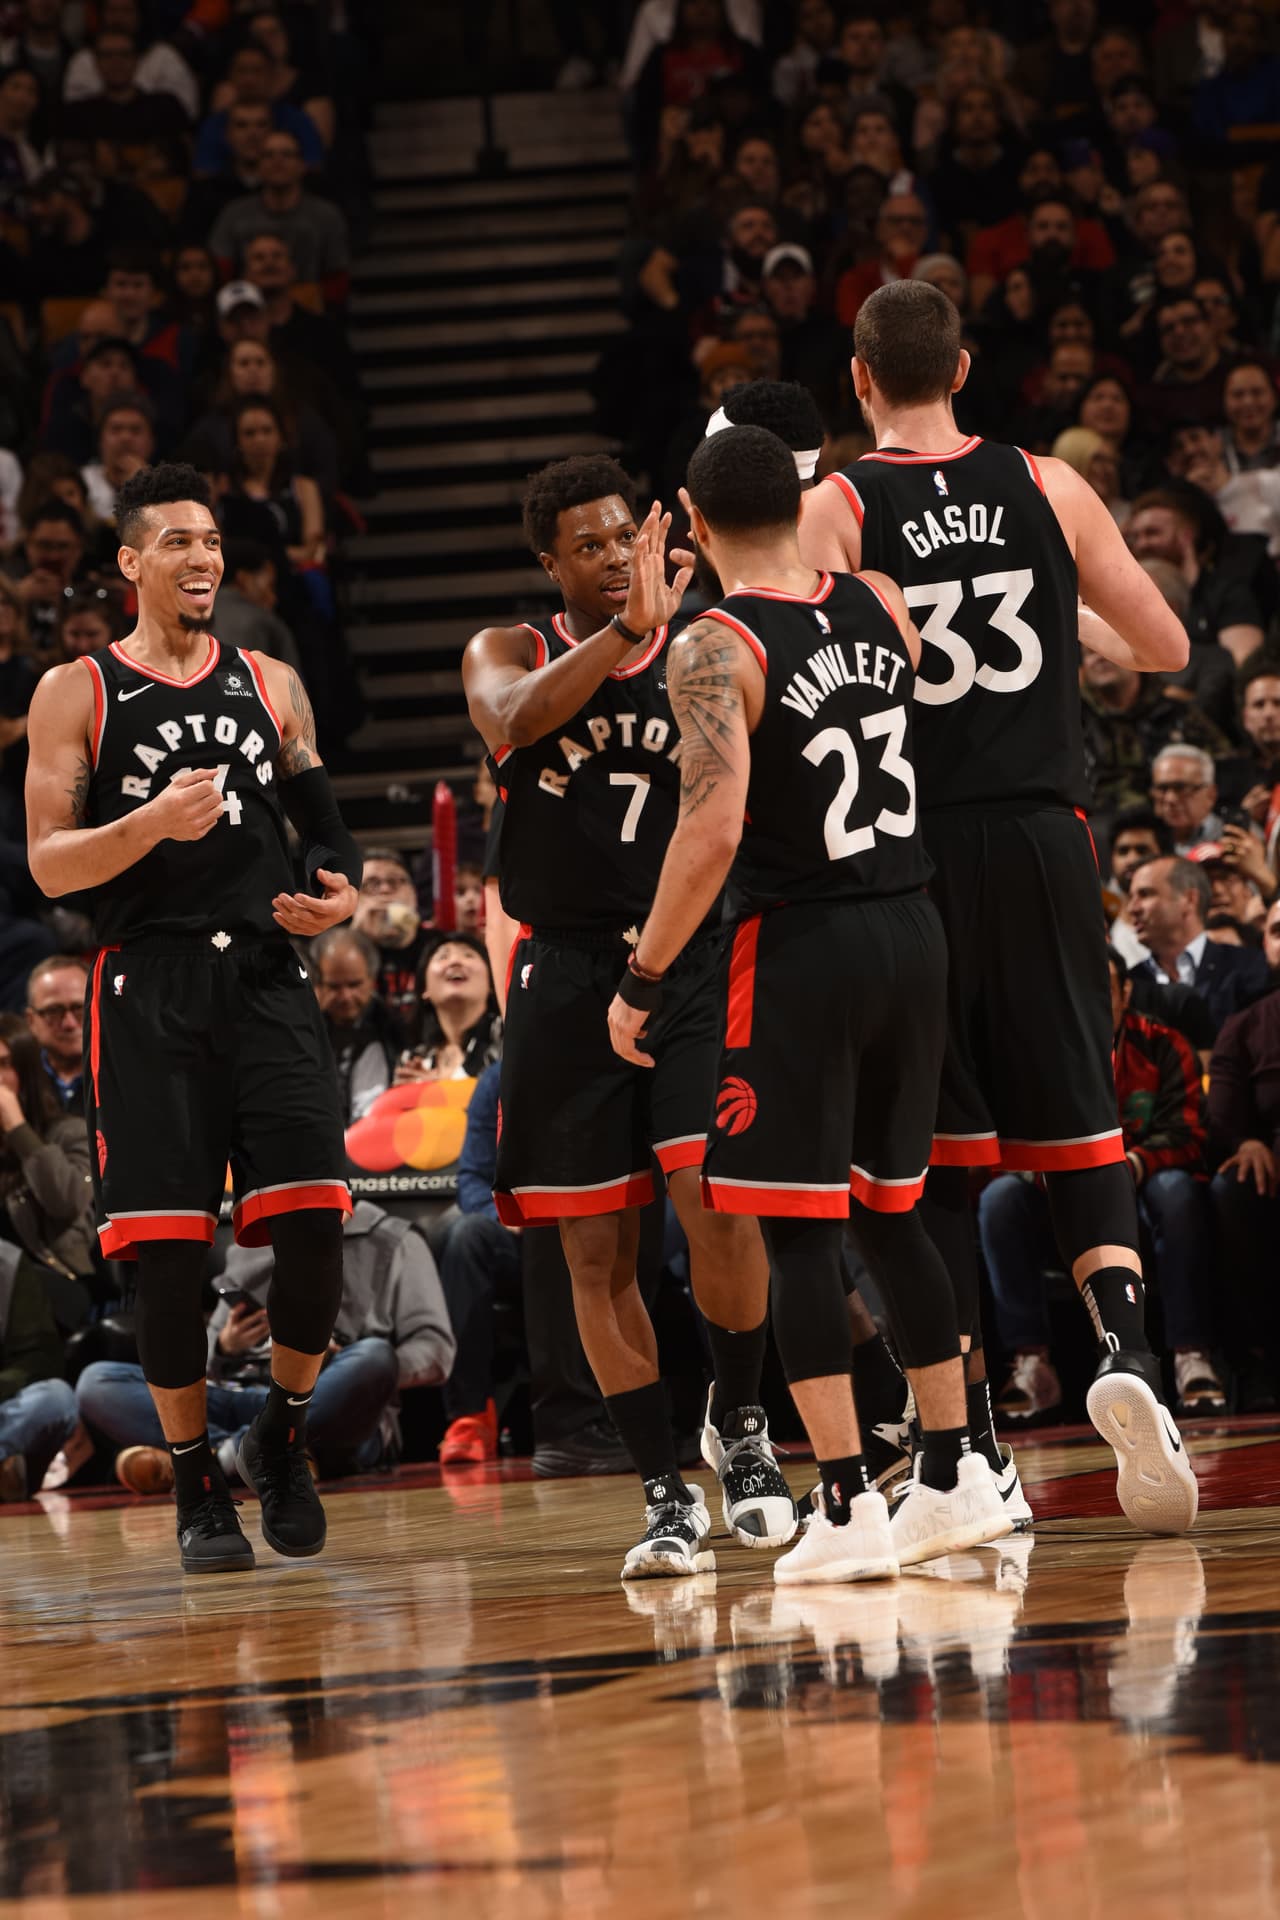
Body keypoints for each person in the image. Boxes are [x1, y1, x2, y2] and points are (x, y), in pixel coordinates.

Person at [799, 277, 1199, 1535]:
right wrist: (1045, 604)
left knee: (920, 1157)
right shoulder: (1048, 484)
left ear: (858, 381)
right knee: (1076, 1112)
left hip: (902, 850)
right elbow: (1164, 649)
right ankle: (1124, 1347)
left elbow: (803, 666)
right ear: (962, 367)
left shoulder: (841, 502)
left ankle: (962, 1435)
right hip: (1042, 833)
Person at [608, 424, 1014, 1584]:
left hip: (800, 942)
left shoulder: (712, 644)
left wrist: (642, 976)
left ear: (690, 520)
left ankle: (839, 1504)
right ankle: (952, 1471)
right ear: (802, 502)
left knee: (793, 1227)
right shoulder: (878, 601)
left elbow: (713, 825)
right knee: (894, 1210)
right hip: (910, 918)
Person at [23, 462, 364, 1576]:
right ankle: (191, 1483)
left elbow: (324, 823)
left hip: (267, 977)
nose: (202, 558)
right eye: (176, 542)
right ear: (129, 564)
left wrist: (342, 891)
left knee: (317, 1223)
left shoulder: (269, 680)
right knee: (166, 1259)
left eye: (211, 541)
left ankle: (278, 1433)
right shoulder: (77, 691)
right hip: (147, 986)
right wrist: (150, 827)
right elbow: (47, 865)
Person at [463, 454, 798, 1579]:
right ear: (549, 561)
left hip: (692, 961)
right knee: (594, 1247)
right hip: (562, 974)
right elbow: (508, 722)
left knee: (715, 1199)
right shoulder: (511, 649)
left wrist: (659, 629)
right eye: (590, 546)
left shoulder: (706, 647)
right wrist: (617, 639)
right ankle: (660, 1486)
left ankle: (743, 1431)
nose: (614, 560)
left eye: (627, 538)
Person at [982, 947, 1224, 1424]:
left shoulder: (1162, 1043)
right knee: (999, 1199)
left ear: (1125, 993)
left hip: (1145, 1175)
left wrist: (1132, 1163)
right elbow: (1009, 1134)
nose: (1090, 1000)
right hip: (1059, 1181)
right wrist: (1044, 1171)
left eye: (1104, 991)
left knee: (1178, 1193)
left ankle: (1190, 1353)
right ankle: (1032, 1362)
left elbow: (1187, 1132)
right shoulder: (1041, 1050)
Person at [79, 1198, 455, 1492]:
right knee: (98, 1382)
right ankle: (258, 1456)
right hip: (241, 1389)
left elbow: (435, 1349)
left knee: (374, 1359)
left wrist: (336, 1359)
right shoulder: (251, 1239)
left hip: (321, 1399)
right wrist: (224, 1346)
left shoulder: (394, 1239)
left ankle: (212, 1461)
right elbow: (206, 1356)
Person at [1207, 897, 1280, 1405]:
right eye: (1276, 931)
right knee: (1232, 1187)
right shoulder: (1248, 1023)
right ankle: (1259, 1361)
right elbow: (1224, 1110)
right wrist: (1246, 1141)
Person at [1128, 855, 1269, 1037]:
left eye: (1145, 894)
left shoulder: (1249, 967)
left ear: (1189, 899)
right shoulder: (1129, 985)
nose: (1133, 908)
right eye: (1131, 897)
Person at [310, 925, 398, 1125]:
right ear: (318, 985)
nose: (345, 996)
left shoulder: (394, 1029)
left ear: (372, 980)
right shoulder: (303, 1030)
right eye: (334, 986)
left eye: (354, 985)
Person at [25, 955, 88, 1116]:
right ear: (31, 1020)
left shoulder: (125, 1078)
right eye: (53, 1011)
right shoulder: (16, 1080)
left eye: (79, 1008)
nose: (69, 1023)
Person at [1150, 743, 1229, 854]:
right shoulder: (1140, 841)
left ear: (1211, 794)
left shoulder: (1237, 840)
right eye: (1162, 788)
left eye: (1181, 788)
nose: (1170, 799)